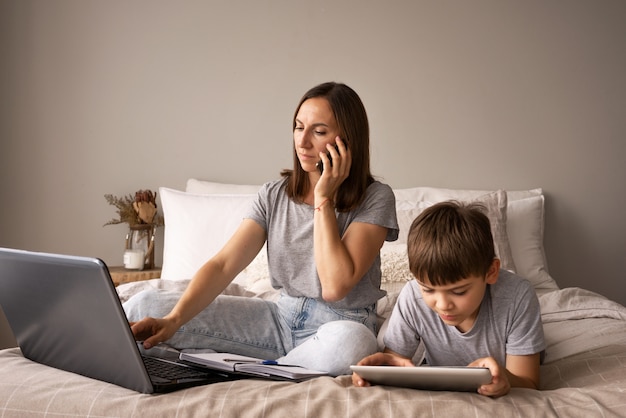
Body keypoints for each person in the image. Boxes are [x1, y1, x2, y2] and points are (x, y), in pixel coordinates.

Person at [124, 82, 399, 376]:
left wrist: (323, 198)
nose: (302, 141)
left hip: (340, 325)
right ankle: (280, 368)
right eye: (298, 127)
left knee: (352, 344)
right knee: (145, 304)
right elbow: (223, 265)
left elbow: (334, 286)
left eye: (318, 132)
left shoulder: (376, 197)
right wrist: (174, 320)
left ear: (348, 140)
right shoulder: (274, 194)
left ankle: (258, 368)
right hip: (279, 319)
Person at [352, 201, 545, 396]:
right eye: (428, 290)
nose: (443, 305)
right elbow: (395, 360)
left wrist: (505, 378)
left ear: (491, 272)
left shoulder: (517, 297)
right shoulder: (412, 296)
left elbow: (528, 382)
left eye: (459, 292)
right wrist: (381, 370)